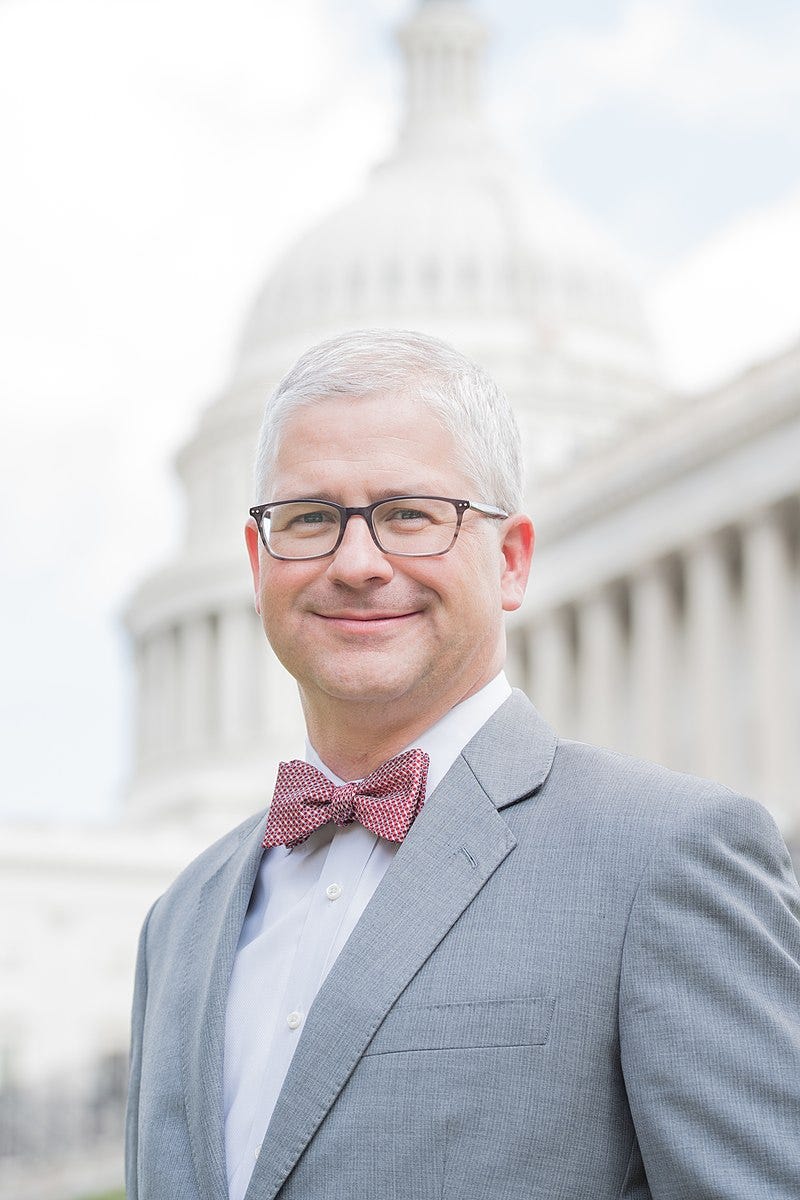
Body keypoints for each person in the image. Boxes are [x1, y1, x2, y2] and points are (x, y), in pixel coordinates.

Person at [126, 329, 800, 1200]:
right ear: (259, 566)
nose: (358, 563)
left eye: (410, 514)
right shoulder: (179, 919)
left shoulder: (667, 860)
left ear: (511, 559)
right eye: (310, 519)